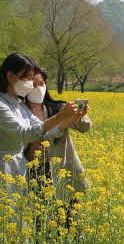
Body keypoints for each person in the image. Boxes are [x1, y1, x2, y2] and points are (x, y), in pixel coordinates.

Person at [0, 53, 80, 230]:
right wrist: (60, 116)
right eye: (26, 78)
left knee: (19, 218)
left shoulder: (18, 105)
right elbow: (24, 133)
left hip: (19, 164)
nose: (31, 83)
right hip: (1, 166)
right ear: (10, 76)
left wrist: (69, 119)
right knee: (0, 218)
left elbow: (43, 131)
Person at [23, 66, 91, 230]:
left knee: (69, 222)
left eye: (42, 83)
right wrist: (62, 123)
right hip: (34, 171)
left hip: (62, 170)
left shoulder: (58, 107)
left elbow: (85, 127)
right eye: (34, 84)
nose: (39, 88)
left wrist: (79, 116)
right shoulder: (19, 113)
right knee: (40, 223)